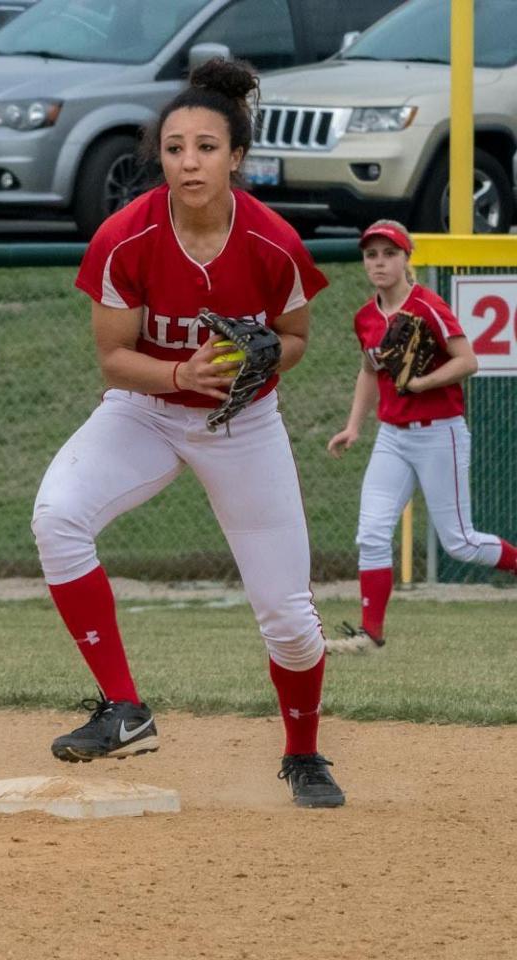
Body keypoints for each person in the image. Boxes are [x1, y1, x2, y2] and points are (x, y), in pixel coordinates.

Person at [31, 57, 345, 809]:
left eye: (206, 146)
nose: (188, 162)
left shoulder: (272, 244)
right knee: (58, 516)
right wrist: (179, 378)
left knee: (292, 621)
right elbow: (114, 361)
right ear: (159, 157)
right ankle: (124, 710)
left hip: (242, 425)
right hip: (146, 410)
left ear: (236, 155)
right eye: (174, 148)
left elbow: (296, 337)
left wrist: (270, 355)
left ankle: (303, 754)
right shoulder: (123, 237)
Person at [327, 219, 517, 648]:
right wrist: (354, 425)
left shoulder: (427, 305)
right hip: (392, 437)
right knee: (372, 532)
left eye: (388, 253)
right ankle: (369, 635)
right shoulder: (365, 318)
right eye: (371, 254)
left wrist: (422, 383)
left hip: (439, 434)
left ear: (406, 258)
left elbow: (467, 361)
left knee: (460, 543)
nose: (378, 262)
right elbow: (368, 371)